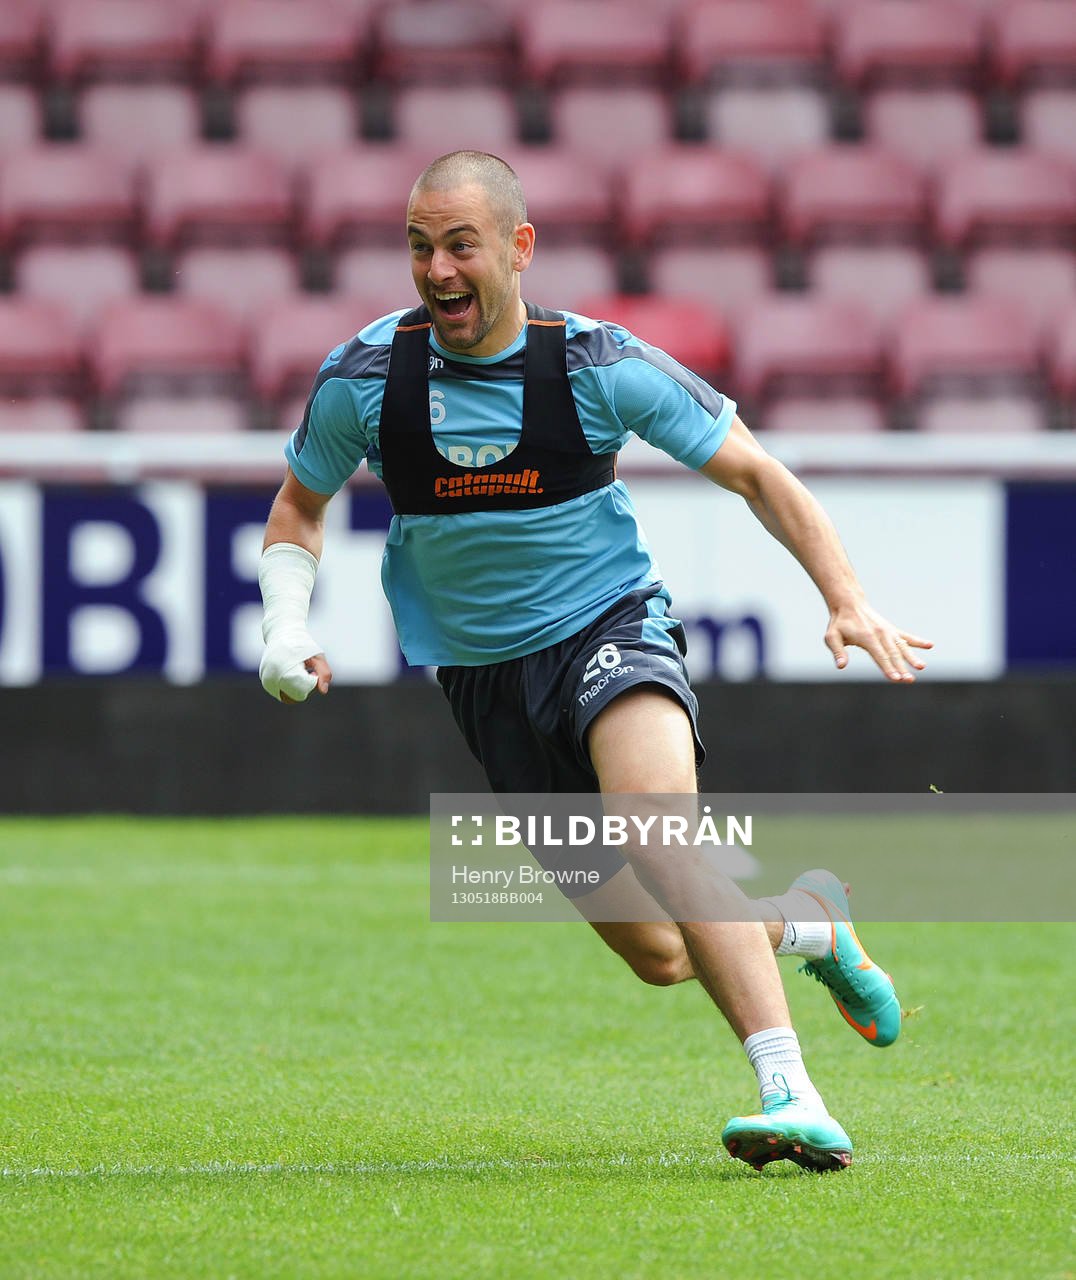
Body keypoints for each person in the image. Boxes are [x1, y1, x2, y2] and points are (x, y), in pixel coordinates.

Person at [257, 150, 932, 1173]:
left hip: (606, 631)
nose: (436, 270)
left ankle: (789, 1090)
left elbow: (753, 470)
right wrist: (282, 622)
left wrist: (843, 597)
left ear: (518, 248)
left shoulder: (592, 363)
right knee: (661, 953)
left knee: (659, 834)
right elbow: (299, 507)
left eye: (459, 245)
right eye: (417, 247)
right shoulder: (362, 376)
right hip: (484, 684)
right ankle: (809, 927)